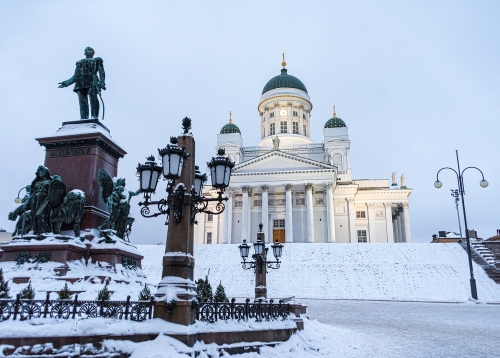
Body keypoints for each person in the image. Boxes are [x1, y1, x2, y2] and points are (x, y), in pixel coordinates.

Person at [58, 47, 105, 120]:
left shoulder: (97, 60)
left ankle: (94, 116)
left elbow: (101, 72)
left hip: (92, 81)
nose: (87, 51)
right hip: (80, 83)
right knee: (82, 102)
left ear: (93, 52)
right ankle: (84, 118)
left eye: (89, 49)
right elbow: (76, 76)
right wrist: (67, 83)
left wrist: (102, 82)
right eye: (85, 50)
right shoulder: (79, 62)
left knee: (93, 99)